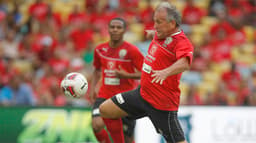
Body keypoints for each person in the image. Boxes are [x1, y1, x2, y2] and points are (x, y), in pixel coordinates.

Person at [99, 2, 194, 143]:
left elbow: (185, 62)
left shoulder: (181, 41)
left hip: (162, 105)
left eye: (159, 22)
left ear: (172, 23)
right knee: (105, 110)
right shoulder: (161, 33)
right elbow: (158, 36)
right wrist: (152, 34)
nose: (155, 25)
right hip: (142, 95)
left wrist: (165, 72)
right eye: (154, 21)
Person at [89, 17, 144, 143]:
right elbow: (97, 70)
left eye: (119, 27)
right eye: (112, 27)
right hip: (104, 96)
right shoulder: (100, 50)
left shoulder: (132, 51)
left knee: (127, 139)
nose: (115, 30)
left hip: (125, 99)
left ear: (124, 30)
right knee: (96, 125)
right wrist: (93, 88)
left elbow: (145, 73)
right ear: (108, 29)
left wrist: (126, 75)